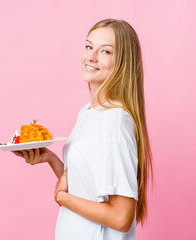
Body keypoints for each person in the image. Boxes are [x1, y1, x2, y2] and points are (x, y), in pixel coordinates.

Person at [12, 18, 153, 240]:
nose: (91, 56)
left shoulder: (114, 122)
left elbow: (121, 217)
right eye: (89, 46)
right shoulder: (88, 113)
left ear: (122, 63)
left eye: (105, 51)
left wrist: (62, 198)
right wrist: (50, 159)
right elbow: (87, 187)